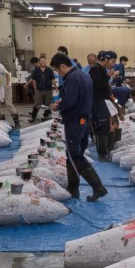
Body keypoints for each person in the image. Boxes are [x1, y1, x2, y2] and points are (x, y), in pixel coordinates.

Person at [49, 52, 107, 202]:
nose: (58, 74)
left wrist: (57, 106)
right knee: (72, 155)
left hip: (75, 121)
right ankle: (73, 188)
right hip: (84, 120)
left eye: (57, 71)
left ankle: (98, 187)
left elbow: (70, 102)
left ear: (62, 66)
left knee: (76, 156)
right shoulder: (83, 75)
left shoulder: (72, 78)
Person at [89, 50, 119, 160]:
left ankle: (105, 152)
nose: (113, 64)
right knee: (102, 127)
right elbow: (99, 86)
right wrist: (109, 76)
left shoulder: (101, 69)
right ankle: (102, 154)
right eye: (113, 61)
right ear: (105, 59)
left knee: (106, 126)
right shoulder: (96, 69)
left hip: (103, 100)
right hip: (98, 102)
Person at [28, 55, 56, 123]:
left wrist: (55, 87)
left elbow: (52, 79)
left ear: (46, 61)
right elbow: (34, 80)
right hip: (39, 90)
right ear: (39, 62)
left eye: (44, 61)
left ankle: (45, 117)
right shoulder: (36, 70)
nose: (43, 62)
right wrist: (35, 88)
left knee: (47, 104)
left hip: (48, 90)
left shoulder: (49, 70)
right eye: (41, 61)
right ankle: (33, 118)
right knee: (36, 104)